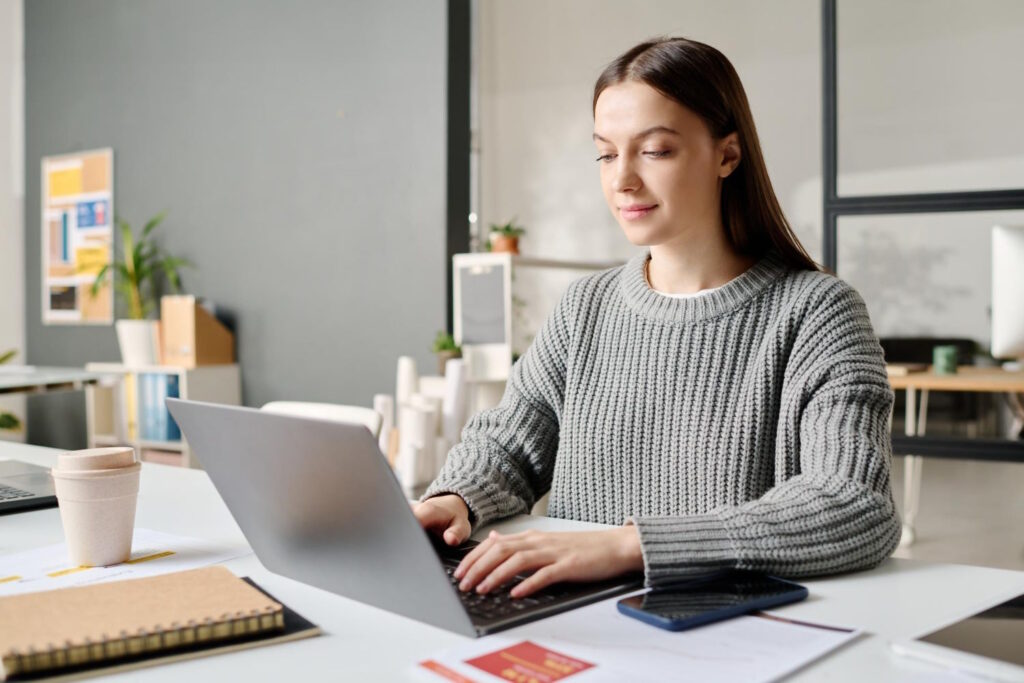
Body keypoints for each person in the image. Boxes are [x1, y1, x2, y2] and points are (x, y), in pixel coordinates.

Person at [414, 36, 901, 599]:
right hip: (567, 619)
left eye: (655, 151)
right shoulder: (585, 307)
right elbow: (509, 446)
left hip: (719, 638)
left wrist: (631, 546)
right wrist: (454, 500)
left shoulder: (818, 312)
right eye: (605, 153)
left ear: (727, 155)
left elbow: (852, 502)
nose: (622, 179)